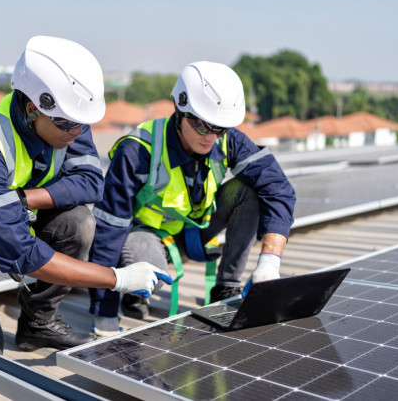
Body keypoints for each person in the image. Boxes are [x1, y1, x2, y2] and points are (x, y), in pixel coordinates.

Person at [0, 36, 171, 353]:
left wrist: (22, 200)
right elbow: (22, 254)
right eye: (69, 125)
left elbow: (90, 183)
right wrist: (117, 279)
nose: (78, 134)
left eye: (83, 124)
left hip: (8, 229)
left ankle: (38, 325)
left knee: (79, 223)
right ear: (32, 109)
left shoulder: (67, 121)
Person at [88, 61, 296, 336]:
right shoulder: (138, 151)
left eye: (219, 128)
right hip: (144, 234)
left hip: (191, 231)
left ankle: (226, 287)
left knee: (249, 190)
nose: (210, 137)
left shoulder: (227, 139)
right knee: (153, 279)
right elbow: (109, 229)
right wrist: (105, 313)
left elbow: (278, 187)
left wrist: (270, 262)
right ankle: (134, 291)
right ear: (180, 110)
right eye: (201, 126)